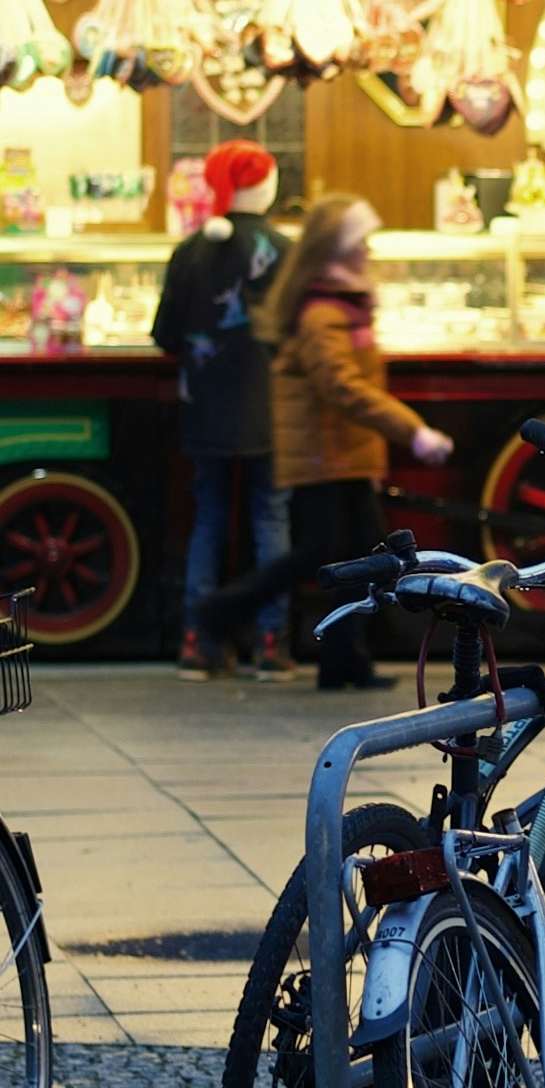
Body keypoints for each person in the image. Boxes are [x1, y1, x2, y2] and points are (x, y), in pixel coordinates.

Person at [261, 191, 446, 695]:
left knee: (360, 558)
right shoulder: (325, 312)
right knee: (329, 557)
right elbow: (343, 388)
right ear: (338, 250)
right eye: (360, 241)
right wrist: (414, 431)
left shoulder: (342, 302)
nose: (369, 250)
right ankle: (219, 611)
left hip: (343, 452)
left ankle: (344, 662)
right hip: (326, 453)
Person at [154, 142, 289, 674]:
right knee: (271, 519)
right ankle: (272, 643)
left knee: (208, 518)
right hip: (273, 408)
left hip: (204, 405)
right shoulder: (286, 249)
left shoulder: (190, 251)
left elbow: (165, 335)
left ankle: (198, 640)